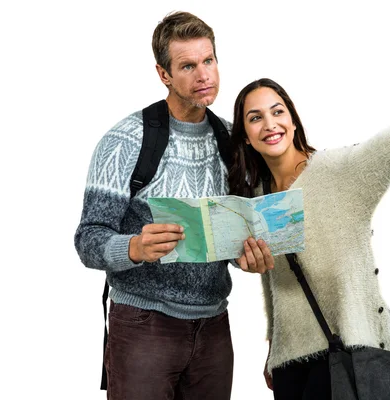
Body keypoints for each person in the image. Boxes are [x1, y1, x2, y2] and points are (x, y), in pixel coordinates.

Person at [74, 11, 271, 400]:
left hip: (214, 327)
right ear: (164, 74)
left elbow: (231, 238)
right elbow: (88, 239)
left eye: (209, 61)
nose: (204, 76)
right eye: (188, 66)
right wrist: (133, 247)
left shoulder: (231, 142)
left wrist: (247, 255)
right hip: (143, 326)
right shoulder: (125, 140)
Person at [228, 78, 390, 399]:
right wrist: (272, 344)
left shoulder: (335, 171)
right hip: (290, 366)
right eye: (255, 118)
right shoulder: (257, 197)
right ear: (246, 137)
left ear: (293, 122)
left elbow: (377, 153)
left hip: (354, 353)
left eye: (277, 112)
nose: (269, 124)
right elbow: (275, 282)